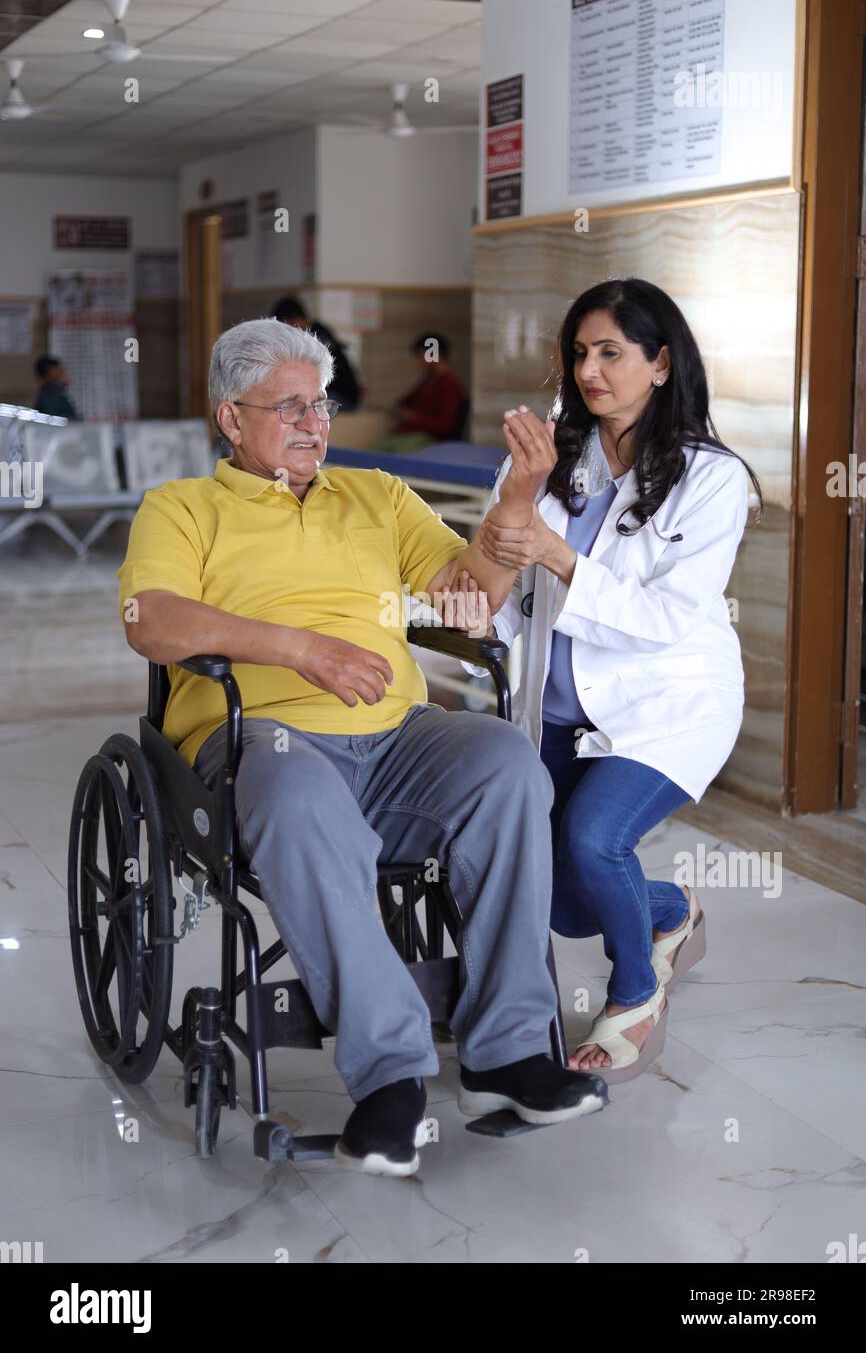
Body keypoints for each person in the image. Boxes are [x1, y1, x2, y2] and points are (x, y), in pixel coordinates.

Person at [117, 317, 606, 1178]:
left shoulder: (375, 496)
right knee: (298, 792)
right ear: (231, 419)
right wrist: (300, 649)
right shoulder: (182, 509)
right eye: (291, 407)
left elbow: (467, 600)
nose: (315, 424)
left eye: (324, 405)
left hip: (395, 739)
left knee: (506, 766)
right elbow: (151, 620)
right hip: (257, 738)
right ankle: (390, 1076)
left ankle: (505, 1055)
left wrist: (518, 501)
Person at [474, 277, 762, 1084]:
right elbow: (499, 573)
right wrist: (492, 567)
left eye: (611, 352)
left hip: (667, 706)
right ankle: (672, 911)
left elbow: (665, 616)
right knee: (566, 900)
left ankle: (637, 995)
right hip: (557, 709)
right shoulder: (545, 458)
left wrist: (557, 555)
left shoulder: (711, 480)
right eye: (579, 353)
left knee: (595, 840)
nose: (590, 370)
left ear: (661, 363)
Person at [271, 296, 362, 410]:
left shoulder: (318, 336)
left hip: (342, 398)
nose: (287, 332)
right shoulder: (312, 333)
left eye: (288, 325)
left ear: (297, 319)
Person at [387, 332, 467, 448]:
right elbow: (403, 402)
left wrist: (413, 417)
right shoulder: (428, 381)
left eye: (420, 357)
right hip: (409, 435)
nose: (418, 362)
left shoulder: (450, 384)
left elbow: (444, 426)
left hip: (427, 440)